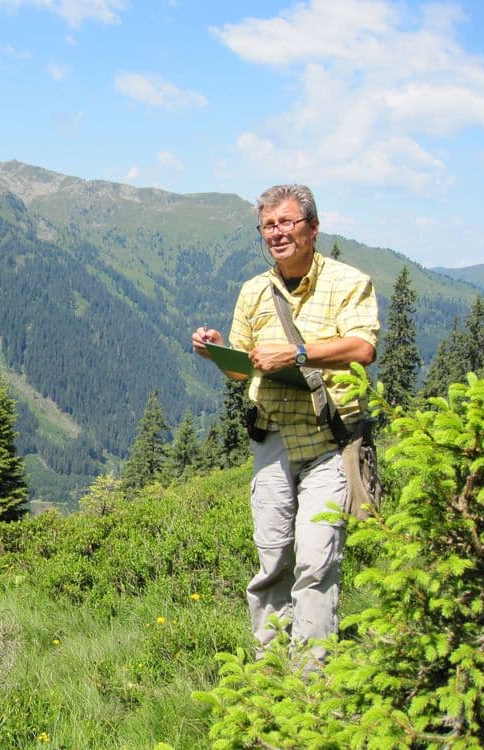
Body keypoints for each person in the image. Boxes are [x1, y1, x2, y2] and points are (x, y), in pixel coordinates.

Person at [191, 184, 379, 661]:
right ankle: (268, 672)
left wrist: (296, 352)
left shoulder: (348, 282)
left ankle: (311, 684)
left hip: (329, 441)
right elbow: (241, 369)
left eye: (287, 223)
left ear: (312, 229)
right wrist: (216, 348)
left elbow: (362, 348)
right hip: (271, 438)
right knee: (272, 559)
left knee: (316, 562)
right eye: (268, 226)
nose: (276, 233)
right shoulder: (253, 291)